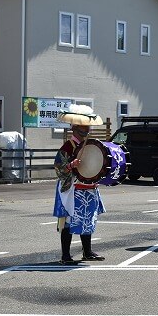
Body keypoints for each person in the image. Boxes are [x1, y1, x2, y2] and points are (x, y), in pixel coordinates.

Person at [52, 104, 106, 264]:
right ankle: (65, 255)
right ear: (75, 128)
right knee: (68, 221)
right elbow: (58, 167)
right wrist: (70, 165)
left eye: (87, 126)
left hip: (88, 188)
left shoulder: (90, 145)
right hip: (72, 189)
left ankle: (87, 252)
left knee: (87, 219)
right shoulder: (67, 147)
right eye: (83, 126)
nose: (86, 129)